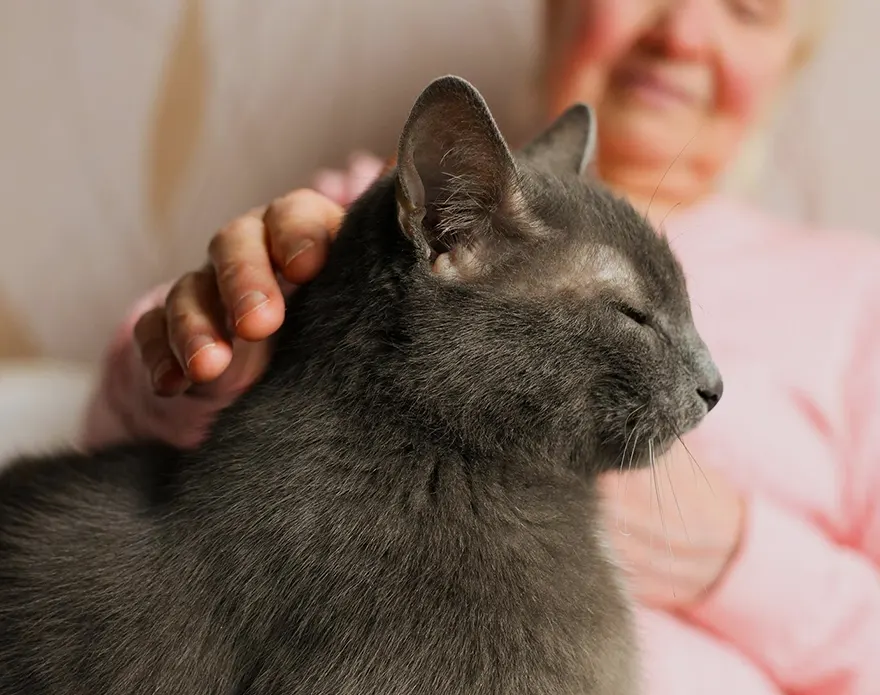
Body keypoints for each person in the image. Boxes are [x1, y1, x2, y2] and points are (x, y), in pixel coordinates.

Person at [82, 1, 880, 693]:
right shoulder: (394, 198)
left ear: (790, 59)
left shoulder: (854, 291)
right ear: (561, 6)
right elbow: (124, 465)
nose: (683, 31)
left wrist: (743, 560)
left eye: (748, 5)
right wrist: (238, 356)